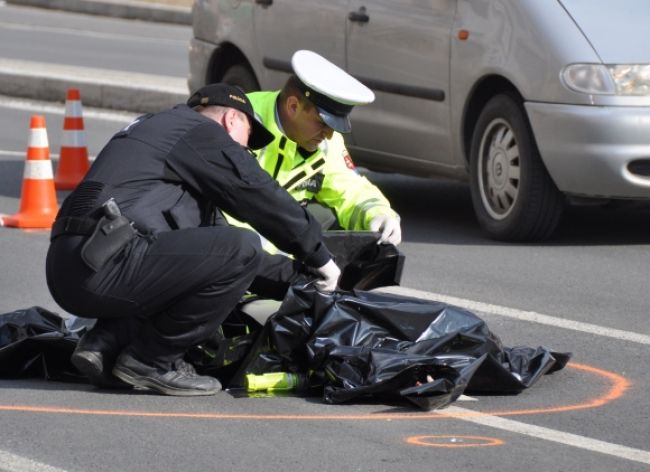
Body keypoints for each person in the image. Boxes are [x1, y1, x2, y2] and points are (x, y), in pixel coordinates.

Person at [45, 84, 340, 396]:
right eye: (247, 142)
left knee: (218, 254)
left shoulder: (161, 137)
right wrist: (317, 254)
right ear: (231, 120)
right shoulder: (198, 132)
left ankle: (105, 343)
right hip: (106, 262)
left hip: (77, 263)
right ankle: (151, 361)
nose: (246, 152)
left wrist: (300, 281)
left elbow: (221, 261)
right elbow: (256, 193)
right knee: (243, 244)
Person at [226, 50, 402, 248]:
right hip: (227, 253)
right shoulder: (239, 122)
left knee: (332, 221)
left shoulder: (327, 142)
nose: (328, 134)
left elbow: (348, 187)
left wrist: (379, 214)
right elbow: (224, 207)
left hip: (277, 252)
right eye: (322, 123)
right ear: (293, 106)